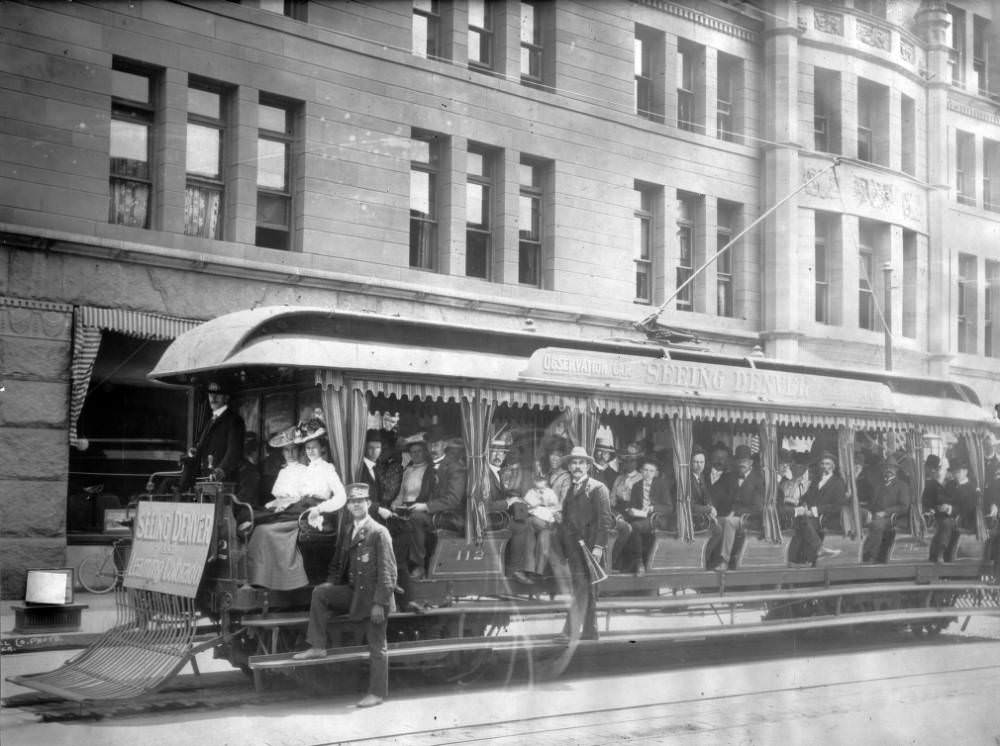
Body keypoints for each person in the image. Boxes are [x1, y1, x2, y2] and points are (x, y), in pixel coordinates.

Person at [293, 483, 397, 708]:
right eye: (352, 502)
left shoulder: (379, 532)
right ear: (348, 506)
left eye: (361, 501)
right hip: (354, 592)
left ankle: (377, 693)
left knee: (377, 646)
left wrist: (380, 603)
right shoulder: (349, 529)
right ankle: (318, 646)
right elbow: (338, 563)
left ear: (368, 504)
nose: (356, 505)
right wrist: (331, 585)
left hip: (373, 598)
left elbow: (388, 573)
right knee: (320, 593)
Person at [552, 446, 613, 641]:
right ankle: (590, 631)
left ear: (588, 466)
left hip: (590, 548)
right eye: (574, 463)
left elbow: (605, 521)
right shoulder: (571, 489)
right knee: (587, 587)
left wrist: (598, 547)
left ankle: (569, 631)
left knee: (582, 586)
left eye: (581, 463)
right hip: (575, 548)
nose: (577, 466)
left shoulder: (598, 488)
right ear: (569, 466)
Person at [246, 427, 314, 589]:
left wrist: (284, 504)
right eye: (286, 450)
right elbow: (278, 496)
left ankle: (271, 578)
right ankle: (258, 576)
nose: (290, 454)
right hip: (281, 508)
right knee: (251, 521)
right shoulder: (283, 471)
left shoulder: (306, 470)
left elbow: (303, 497)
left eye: (293, 450)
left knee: (264, 531)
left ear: (299, 451)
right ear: (282, 453)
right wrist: (275, 504)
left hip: (296, 511)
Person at [394, 427, 466, 580]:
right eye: (430, 444)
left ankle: (418, 566)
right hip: (434, 513)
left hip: (451, 517)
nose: (433, 448)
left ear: (445, 445)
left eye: (437, 444)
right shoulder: (430, 467)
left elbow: (453, 499)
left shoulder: (454, 467)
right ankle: (400, 567)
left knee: (415, 518)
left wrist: (426, 506)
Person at [180, 380, 246, 490]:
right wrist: (194, 452)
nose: (213, 397)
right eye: (211, 394)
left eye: (218, 394)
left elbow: (234, 451)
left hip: (222, 481)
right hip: (204, 479)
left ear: (226, 397)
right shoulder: (210, 420)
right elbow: (203, 447)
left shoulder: (234, 420)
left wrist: (221, 470)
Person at [621, 455, 673, 575]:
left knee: (636, 527)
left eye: (651, 471)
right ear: (641, 471)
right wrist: (631, 510)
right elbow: (632, 505)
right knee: (626, 527)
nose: (648, 473)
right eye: (645, 470)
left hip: (657, 518)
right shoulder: (636, 486)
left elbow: (669, 508)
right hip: (641, 518)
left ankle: (639, 563)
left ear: (656, 473)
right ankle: (629, 563)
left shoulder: (661, 485)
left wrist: (653, 508)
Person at [789, 452, 843, 565]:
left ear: (833, 466)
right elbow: (806, 496)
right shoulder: (816, 481)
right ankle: (803, 557)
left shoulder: (838, 483)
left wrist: (814, 511)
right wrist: (800, 502)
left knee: (805, 522)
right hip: (809, 514)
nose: (824, 466)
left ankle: (802, 559)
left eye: (827, 464)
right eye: (822, 464)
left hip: (826, 517)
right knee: (800, 522)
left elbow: (836, 506)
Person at [507, 471, 560, 583]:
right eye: (537, 480)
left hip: (546, 521)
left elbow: (556, 507)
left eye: (542, 480)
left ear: (546, 481)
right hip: (535, 523)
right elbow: (526, 507)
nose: (540, 483)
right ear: (534, 481)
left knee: (531, 524)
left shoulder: (550, 493)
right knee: (531, 539)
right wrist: (532, 506)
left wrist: (545, 507)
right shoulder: (530, 492)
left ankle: (536, 571)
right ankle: (531, 570)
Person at [862, 456, 910, 563]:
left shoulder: (902, 486)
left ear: (896, 470)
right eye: (886, 467)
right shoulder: (878, 485)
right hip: (875, 516)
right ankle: (853, 555)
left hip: (893, 518)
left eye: (892, 468)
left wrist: (885, 512)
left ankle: (870, 556)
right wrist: (868, 512)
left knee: (876, 525)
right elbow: (871, 504)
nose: (889, 470)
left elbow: (904, 506)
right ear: (883, 469)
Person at [924, 455, 957, 563]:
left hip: (939, 511)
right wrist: (933, 508)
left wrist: (945, 507)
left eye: (937, 469)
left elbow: (943, 499)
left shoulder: (939, 483)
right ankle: (939, 554)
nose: (936, 472)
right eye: (935, 469)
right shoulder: (929, 483)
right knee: (946, 523)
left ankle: (938, 554)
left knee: (947, 523)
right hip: (930, 512)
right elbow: (928, 500)